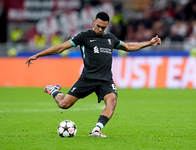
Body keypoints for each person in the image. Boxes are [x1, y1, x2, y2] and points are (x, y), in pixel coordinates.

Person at [25, 12, 161, 137]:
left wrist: (149, 43)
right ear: (94, 21)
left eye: (103, 27)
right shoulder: (84, 36)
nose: (100, 29)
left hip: (105, 80)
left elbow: (128, 47)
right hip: (88, 78)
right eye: (98, 26)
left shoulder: (110, 38)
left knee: (112, 101)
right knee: (64, 105)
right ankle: (53, 90)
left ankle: (96, 129)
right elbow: (61, 47)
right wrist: (38, 55)